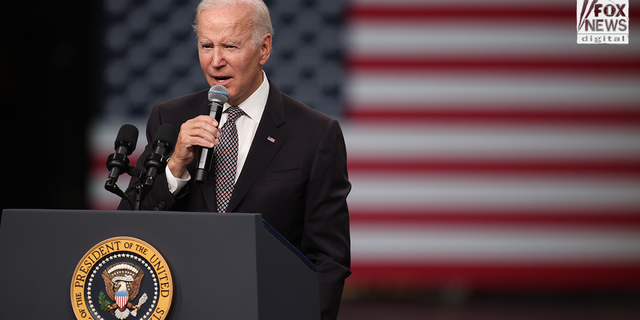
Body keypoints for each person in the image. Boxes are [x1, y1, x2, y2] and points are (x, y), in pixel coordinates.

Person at [118, 1, 351, 319]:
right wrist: (174, 166)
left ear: (264, 48)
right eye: (206, 45)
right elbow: (128, 225)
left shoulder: (316, 134)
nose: (216, 61)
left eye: (230, 46)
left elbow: (328, 259)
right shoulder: (170, 120)